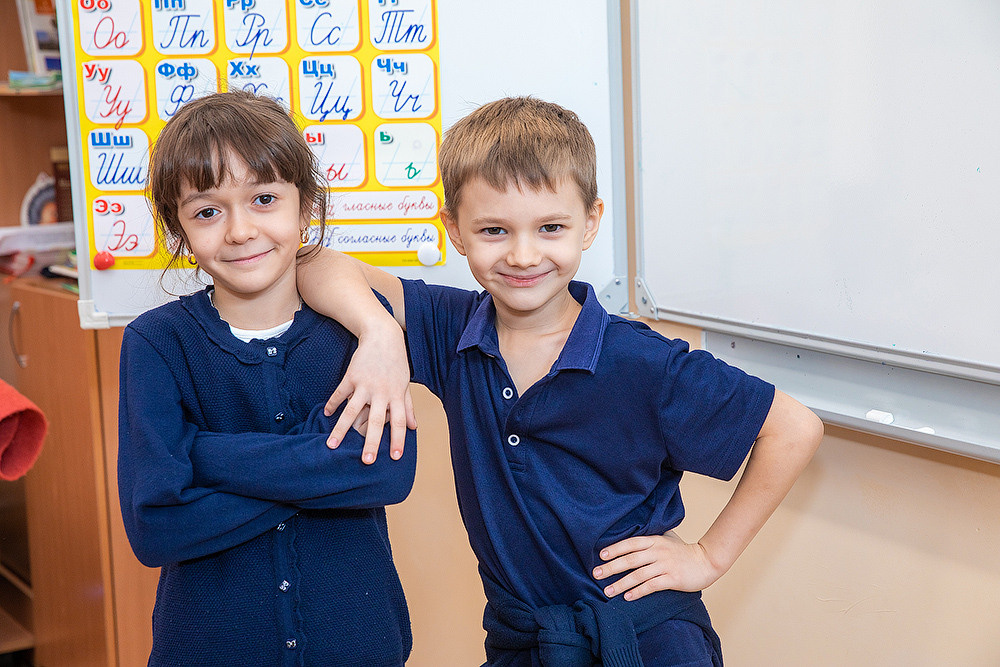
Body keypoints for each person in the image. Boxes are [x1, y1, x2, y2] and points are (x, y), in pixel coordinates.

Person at [298, 96, 825, 666]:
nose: (524, 255)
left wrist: (708, 557)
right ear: (454, 229)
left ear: (590, 222)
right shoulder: (450, 329)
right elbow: (313, 263)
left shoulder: (645, 362)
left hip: (646, 641)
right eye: (494, 230)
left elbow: (794, 429)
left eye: (550, 228)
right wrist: (379, 333)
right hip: (524, 640)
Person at [118, 90, 418, 666]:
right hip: (208, 649)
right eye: (207, 211)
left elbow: (387, 472)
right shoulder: (156, 343)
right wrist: (322, 470)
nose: (238, 231)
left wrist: (201, 456)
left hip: (356, 643)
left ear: (305, 207)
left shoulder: (353, 331)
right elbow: (156, 527)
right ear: (175, 228)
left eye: (263, 199)